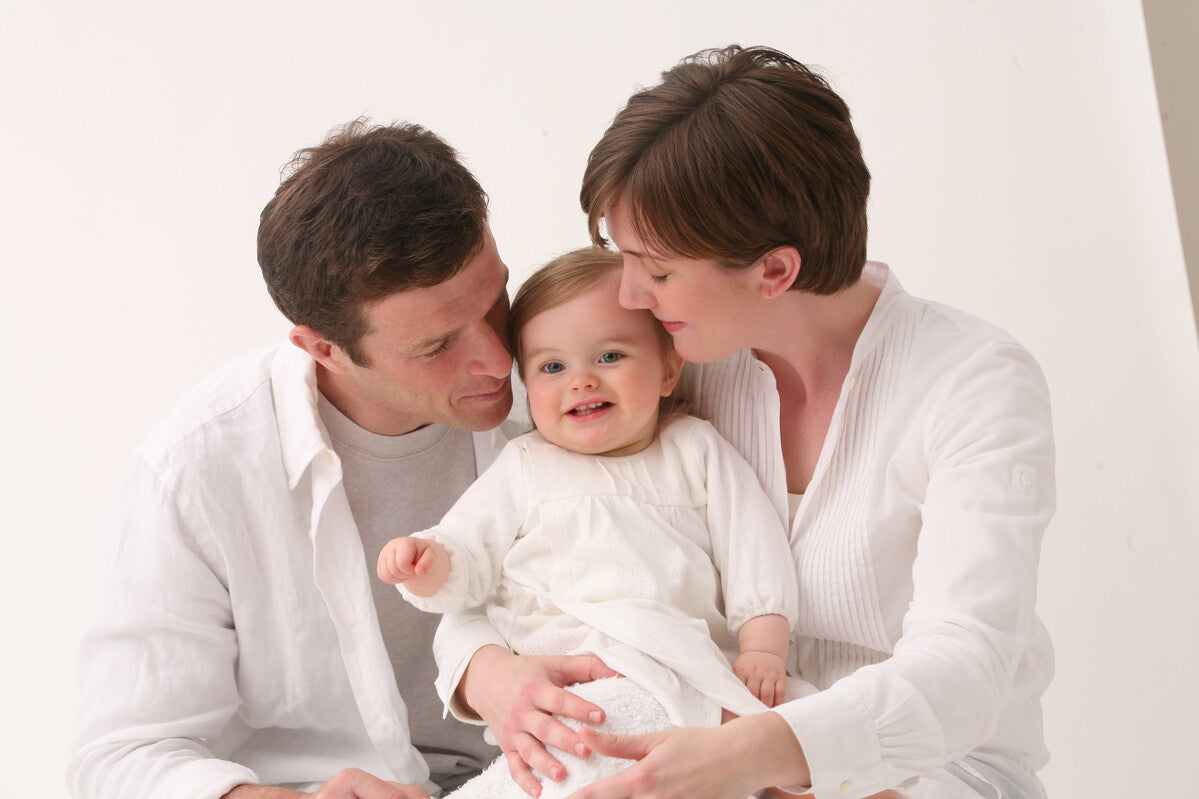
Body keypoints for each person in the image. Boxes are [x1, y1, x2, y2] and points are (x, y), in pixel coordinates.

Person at [451, 46, 1056, 799]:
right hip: (705, 738)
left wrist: (760, 754)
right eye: (624, 257)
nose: (630, 296)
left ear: (774, 272)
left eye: (658, 270)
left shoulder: (971, 380)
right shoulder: (672, 368)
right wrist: (490, 670)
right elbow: (523, 527)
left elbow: (966, 662)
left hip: (932, 771)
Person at [67, 120, 614, 799]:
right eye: (436, 344)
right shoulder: (195, 469)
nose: (501, 360)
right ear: (321, 347)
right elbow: (120, 754)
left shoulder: (586, 386)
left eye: (493, 298)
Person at [377, 248, 801, 798]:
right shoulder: (525, 464)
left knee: (735, 735)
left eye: (610, 356)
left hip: (667, 664)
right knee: (556, 758)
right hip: (562, 678)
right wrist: (429, 562)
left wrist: (763, 648)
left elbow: (754, 546)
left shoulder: (695, 449)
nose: (581, 381)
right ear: (529, 388)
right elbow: (468, 554)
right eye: (553, 367)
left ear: (669, 368)